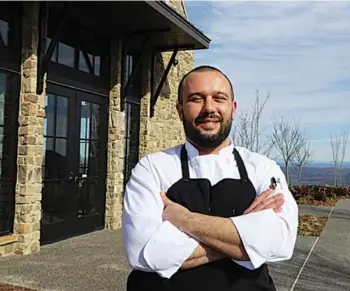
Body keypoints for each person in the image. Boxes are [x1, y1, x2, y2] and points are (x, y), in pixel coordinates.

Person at [122, 65, 299, 291]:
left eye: (219, 98)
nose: (209, 108)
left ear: (233, 108)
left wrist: (185, 220)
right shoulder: (151, 168)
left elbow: (280, 243)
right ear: (180, 110)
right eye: (197, 98)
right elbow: (142, 253)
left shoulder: (263, 168)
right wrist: (247, 237)